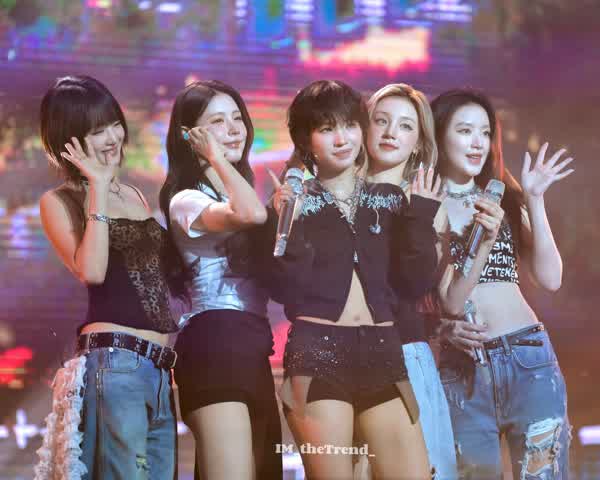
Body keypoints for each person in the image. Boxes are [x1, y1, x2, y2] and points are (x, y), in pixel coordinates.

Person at [265, 79, 440, 479]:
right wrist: (288, 226)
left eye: (349, 125)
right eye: (327, 129)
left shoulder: (390, 199)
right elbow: (283, 290)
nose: (342, 139)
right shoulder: (294, 203)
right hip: (318, 354)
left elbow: (413, 285)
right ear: (306, 141)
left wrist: (420, 218)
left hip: (383, 351)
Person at [35, 75, 181, 479]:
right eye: (98, 131)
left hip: (157, 370)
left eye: (115, 123)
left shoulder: (134, 194)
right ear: (68, 140)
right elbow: (92, 270)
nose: (114, 137)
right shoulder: (58, 201)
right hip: (116, 363)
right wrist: (97, 188)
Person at [432, 88, 573, 479]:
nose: (478, 143)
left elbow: (551, 278)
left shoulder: (504, 198)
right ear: (439, 135)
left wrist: (534, 198)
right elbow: (447, 302)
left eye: (484, 132)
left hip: (529, 360)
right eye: (465, 131)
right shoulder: (424, 203)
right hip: (463, 371)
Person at [159, 80, 282, 480]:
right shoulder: (186, 201)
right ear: (190, 135)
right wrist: (214, 156)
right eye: (217, 122)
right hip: (213, 343)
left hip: (252, 344)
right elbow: (249, 215)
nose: (233, 130)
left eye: (237, 118)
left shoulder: (240, 194)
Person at [366, 82, 457, 479]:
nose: (390, 133)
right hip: (340, 350)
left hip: (404, 352)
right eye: (381, 121)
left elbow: (414, 283)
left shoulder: (425, 204)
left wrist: (418, 216)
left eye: (405, 126)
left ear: (419, 142)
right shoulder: (336, 191)